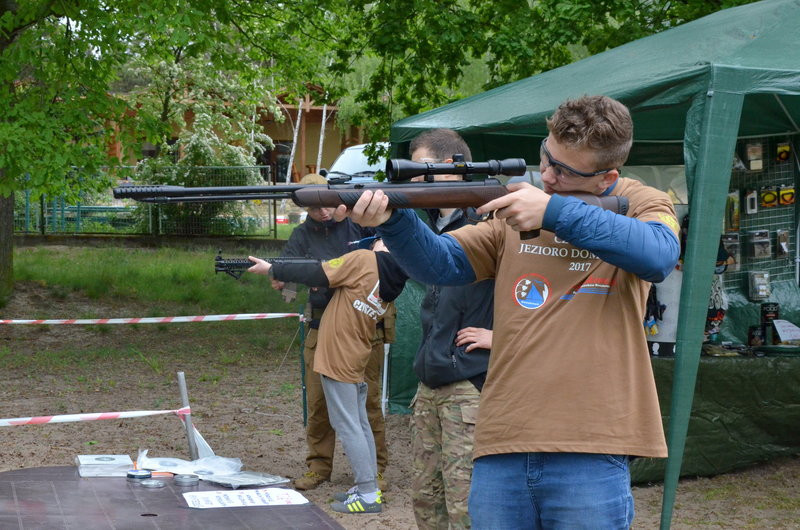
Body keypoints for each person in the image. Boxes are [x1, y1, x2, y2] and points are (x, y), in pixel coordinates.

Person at [337, 95, 681, 528]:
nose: (549, 176)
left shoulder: (641, 200)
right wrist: (394, 221)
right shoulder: (517, 210)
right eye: (546, 158)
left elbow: (659, 254)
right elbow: (440, 263)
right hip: (502, 439)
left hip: (591, 443)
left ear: (607, 177)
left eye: (566, 171)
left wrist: (553, 211)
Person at [247, 239, 408, 514]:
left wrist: (273, 268)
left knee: (347, 424)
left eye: (382, 237)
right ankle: (368, 487)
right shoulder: (390, 277)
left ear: (386, 244)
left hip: (338, 354)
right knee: (359, 422)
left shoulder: (364, 260)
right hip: (356, 351)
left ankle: (368, 494)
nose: (375, 240)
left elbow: (317, 271)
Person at [277, 173, 391, 491]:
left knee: (367, 404)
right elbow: (284, 269)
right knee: (317, 404)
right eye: (315, 209)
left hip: (363, 328)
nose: (323, 213)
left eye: (327, 205)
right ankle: (319, 467)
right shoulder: (301, 236)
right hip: (319, 325)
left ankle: (375, 470)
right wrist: (293, 277)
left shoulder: (360, 224)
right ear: (305, 209)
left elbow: (390, 243)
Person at [407, 129, 494, 529]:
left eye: (420, 169)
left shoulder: (491, 219)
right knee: (426, 499)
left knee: (465, 505)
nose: (413, 179)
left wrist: (504, 337)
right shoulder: (428, 223)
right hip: (431, 379)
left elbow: (539, 293)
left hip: (469, 382)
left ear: (448, 169)